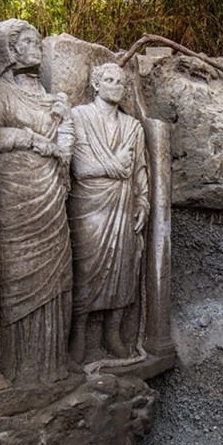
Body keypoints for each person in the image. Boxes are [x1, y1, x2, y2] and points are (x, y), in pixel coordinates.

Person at [0, 19, 75, 384]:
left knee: (56, 271)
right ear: (11, 49)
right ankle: (17, 367)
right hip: (17, 191)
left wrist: (65, 123)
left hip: (52, 191)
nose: (36, 46)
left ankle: (52, 364)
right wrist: (30, 138)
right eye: (27, 40)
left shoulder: (51, 97)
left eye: (38, 40)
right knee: (19, 272)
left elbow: (67, 146)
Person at [67, 63, 150, 362]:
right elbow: (81, 168)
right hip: (88, 205)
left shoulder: (133, 127)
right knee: (84, 268)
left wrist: (143, 202)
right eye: (110, 80)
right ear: (96, 84)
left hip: (124, 205)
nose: (116, 86)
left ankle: (112, 333)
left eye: (121, 82)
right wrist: (115, 166)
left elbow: (138, 169)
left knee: (124, 266)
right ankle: (78, 333)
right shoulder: (79, 116)